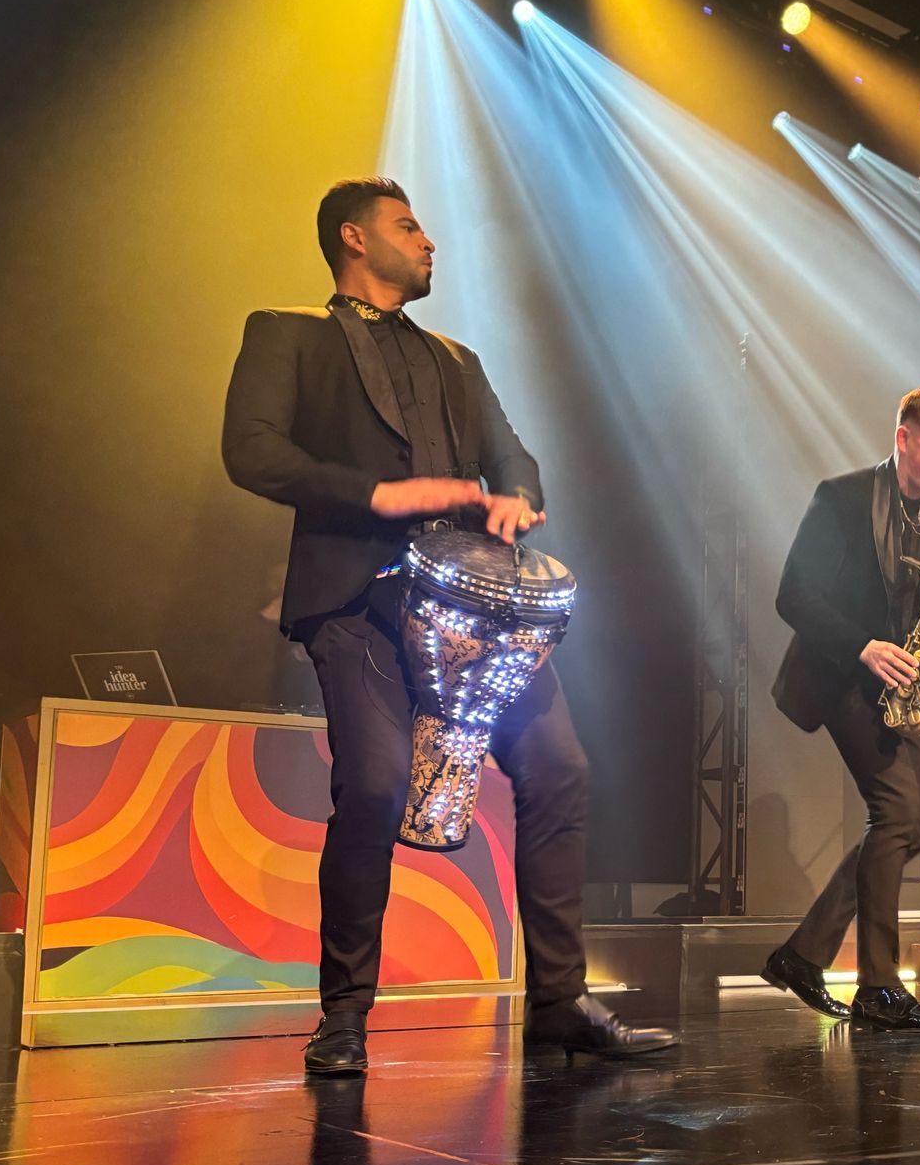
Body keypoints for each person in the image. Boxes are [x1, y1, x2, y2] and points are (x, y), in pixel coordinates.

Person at [222, 176, 673, 1075]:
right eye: (409, 226)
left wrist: (517, 500)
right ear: (354, 239)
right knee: (380, 786)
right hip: (361, 601)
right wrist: (377, 494)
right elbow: (252, 448)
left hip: (475, 610)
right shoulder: (288, 334)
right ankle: (344, 1012)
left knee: (560, 769)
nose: (430, 242)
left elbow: (515, 457)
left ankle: (557, 1001)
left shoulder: (458, 361)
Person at [760, 387, 920, 1030]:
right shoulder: (842, 497)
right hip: (844, 674)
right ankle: (877, 986)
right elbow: (792, 596)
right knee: (895, 813)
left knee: (908, 828)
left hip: (906, 686)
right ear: (904, 436)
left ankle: (803, 955)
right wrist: (863, 647)